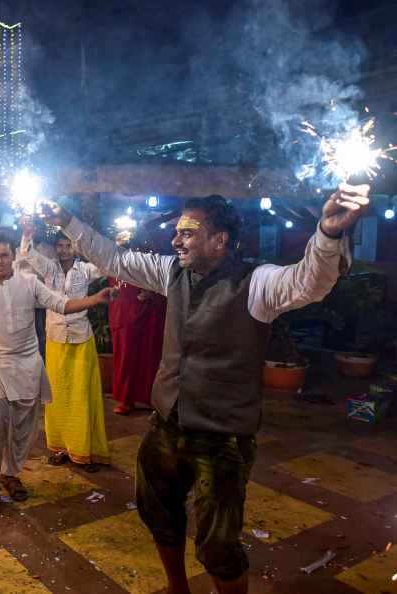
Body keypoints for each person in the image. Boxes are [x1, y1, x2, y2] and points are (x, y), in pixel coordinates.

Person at [44, 184, 370, 594]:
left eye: (187, 232)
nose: (175, 239)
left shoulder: (257, 283)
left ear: (220, 240)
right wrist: (66, 221)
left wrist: (327, 233)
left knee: (218, 544)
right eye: (177, 232)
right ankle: (178, 589)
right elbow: (117, 259)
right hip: (167, 423)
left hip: (223, 436)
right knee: (158, 514)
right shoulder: (171, 272)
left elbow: (309, 282)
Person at [0, 232, 114, 506]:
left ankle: (11, 474)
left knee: (22, 427)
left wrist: (96, 299)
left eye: (4, 255)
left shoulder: (29, 283)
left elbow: (61, 304)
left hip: (27, 365)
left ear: (14, 257)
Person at [20, 223, 110, 471]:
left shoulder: (85, 270)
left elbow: (106, 265)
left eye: (68, 245)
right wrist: (27, 233)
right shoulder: (49, 269)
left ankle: (85, 450)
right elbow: (27, 254)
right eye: (60, 246)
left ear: (75, 248)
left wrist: (89, 244)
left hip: (81, 338)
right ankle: (60, 448)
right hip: (56, 338)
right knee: (56, 396)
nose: (63, 250)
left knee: (82, 396)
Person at [108, 234, 167, 415]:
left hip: (149, 314)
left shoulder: (149, 259)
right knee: (125, 358)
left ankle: (149, 397)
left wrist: (151, 293)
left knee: (150, 356)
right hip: (124, 315)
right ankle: (126, 399)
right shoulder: (112, 260)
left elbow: (161, 282)